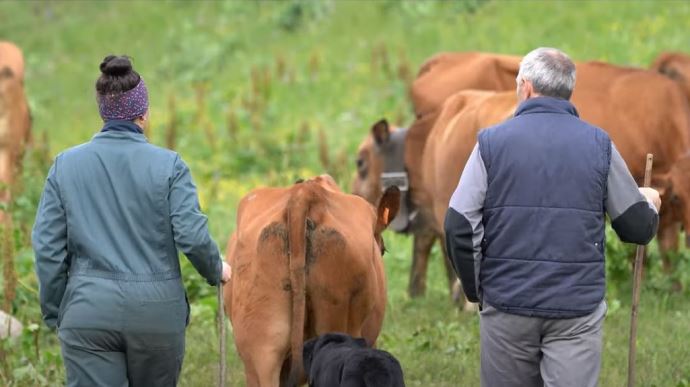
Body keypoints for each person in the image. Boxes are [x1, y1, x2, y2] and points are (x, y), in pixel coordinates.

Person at [444, 47, 660, 387]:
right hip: (576, 312)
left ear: (526, 87)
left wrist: (477, 290)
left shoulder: (490, 143)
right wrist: (650, 203)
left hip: (507, 306)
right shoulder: (599, 144)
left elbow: (458, 223)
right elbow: (636, 227)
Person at [32, 55, 232, 387]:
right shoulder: (170, 166)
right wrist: (215, 269)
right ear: (144, 114)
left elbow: (47, 249)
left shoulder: (64, 166)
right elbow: (192, 237)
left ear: (102, 111)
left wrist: (57, 311)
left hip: (87, 312)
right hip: (157, 315)